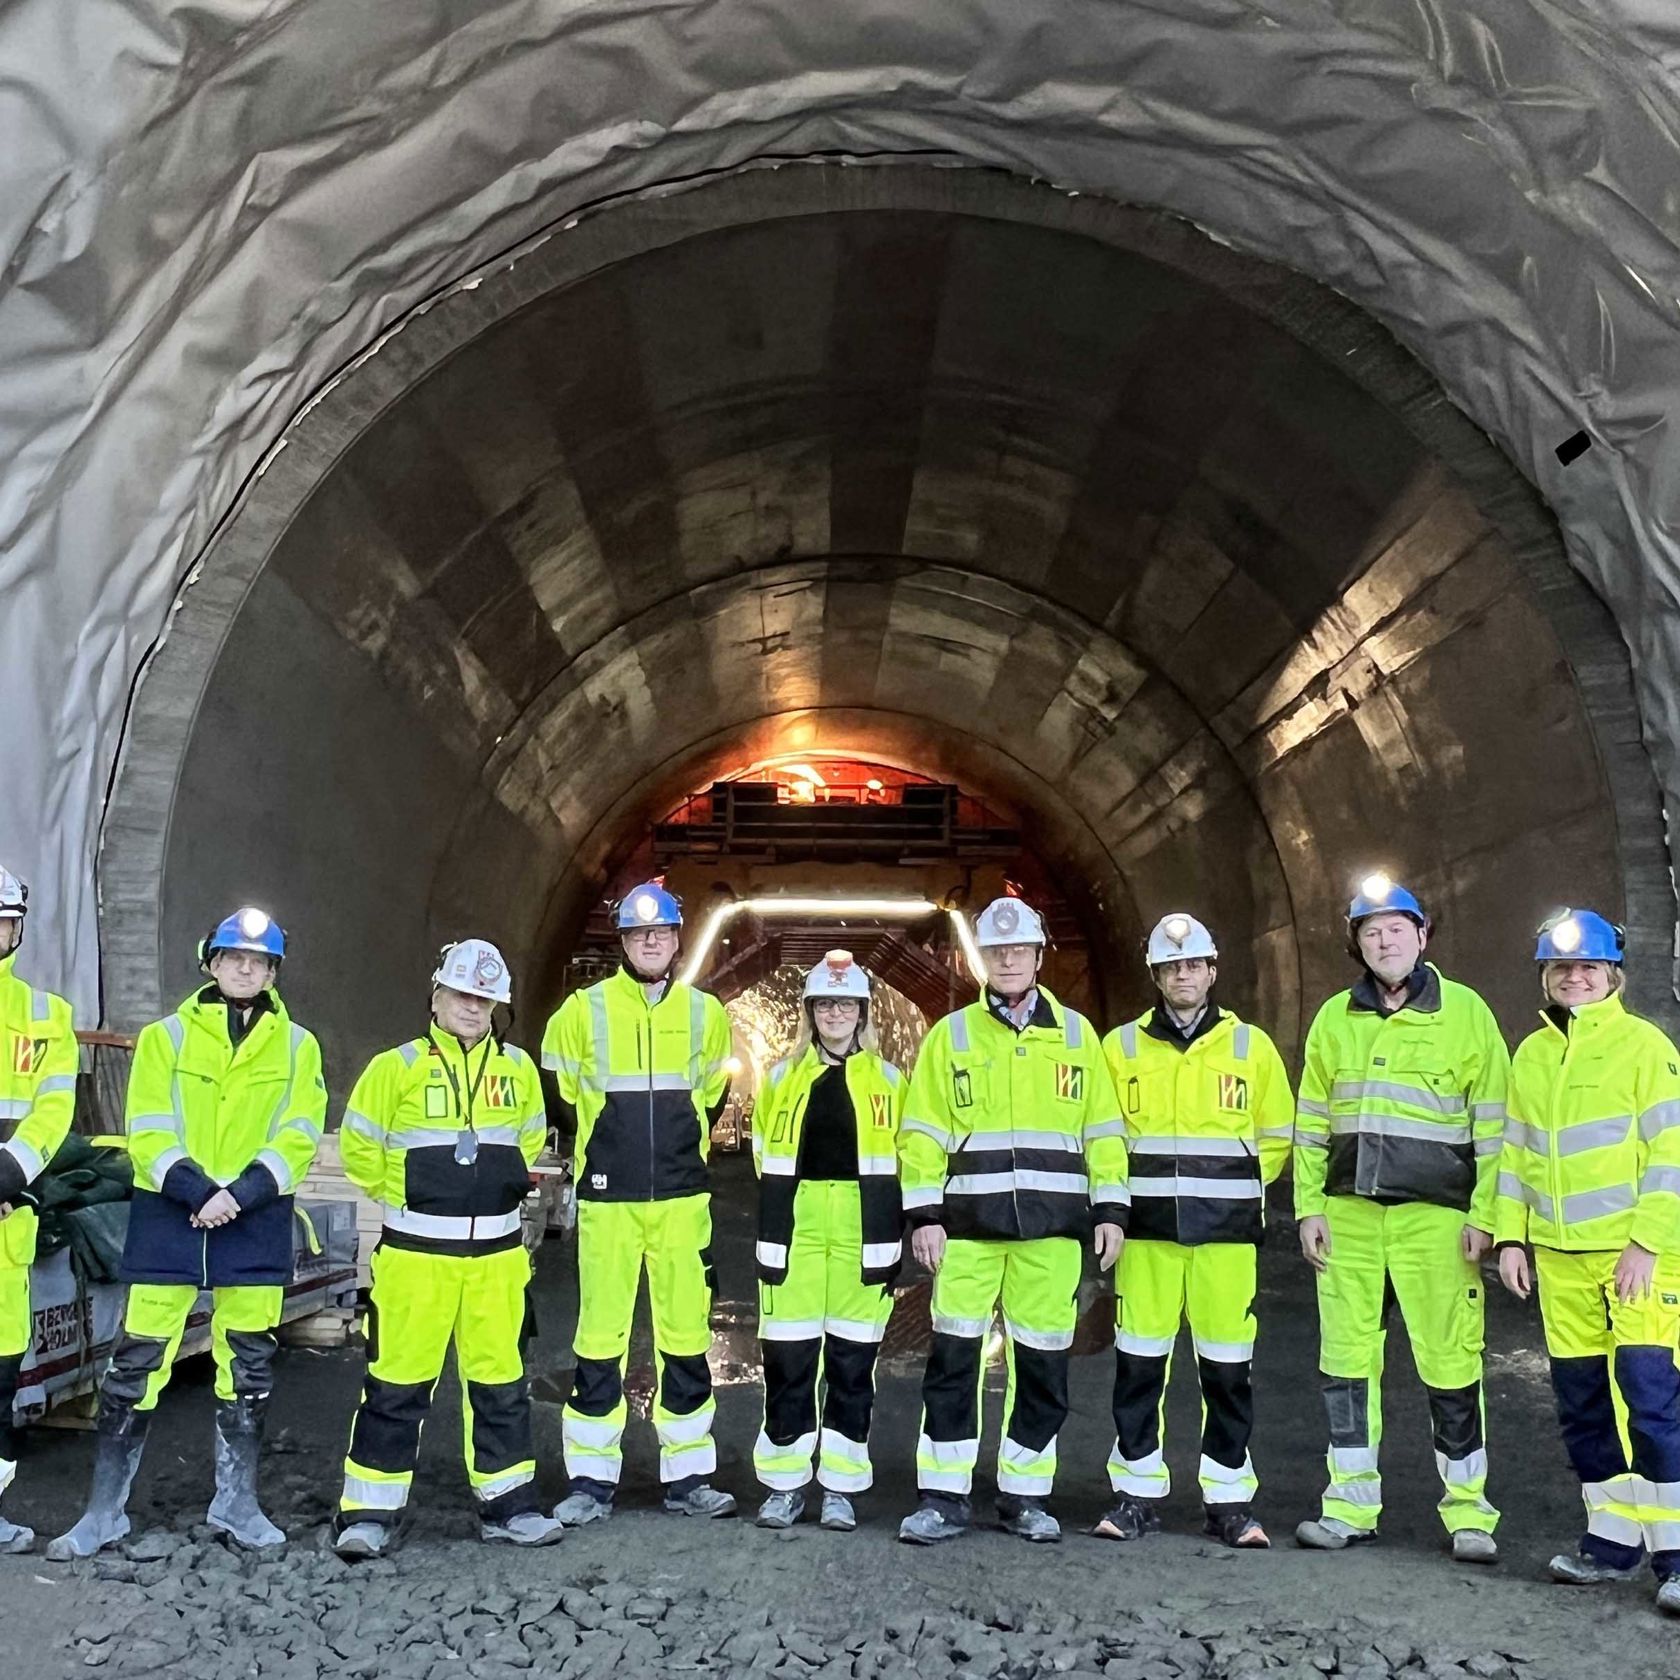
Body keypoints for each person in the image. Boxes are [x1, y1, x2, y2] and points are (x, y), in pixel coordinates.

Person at [49, 909, 326, 1559]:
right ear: (211, 962)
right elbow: (147, 1126)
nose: (244, 968)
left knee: (249, 1365)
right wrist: (200, 1192)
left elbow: (299, 1133)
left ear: (273, 972)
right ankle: (104, 1511)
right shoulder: (165, 1038)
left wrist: (241, 1193)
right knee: (138, 1360)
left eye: (258, 962)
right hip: (175, 1215)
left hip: (252, 1218)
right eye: (233, 958)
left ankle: (236, 1503)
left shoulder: (298, 1047)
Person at [897, 896, 1127, 1545]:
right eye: (996, 952)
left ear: (1037, 956)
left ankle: (1024, 1495)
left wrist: (1110, 1210)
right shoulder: (952, 1037)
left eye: (1018, 950)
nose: (1007, 960)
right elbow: (920, 1136)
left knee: (1044, 1367)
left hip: (1052, 1235)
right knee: (953, 1362)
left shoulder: (1079, 1038)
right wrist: (925, 1216)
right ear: (983, 960)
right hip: (966, 1233)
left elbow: (1105, 1134)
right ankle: (943, 1495)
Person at [1293, 874, 1509, 1562]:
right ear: (1356, 945)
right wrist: (1307, 1208)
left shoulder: (1467, 1014)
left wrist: (1487, 1214)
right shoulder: (1334, 1018)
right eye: (1370, 931)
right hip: (1349, 1219)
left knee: (1450, 1365)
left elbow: (1495, 1128)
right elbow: (1311, 1123)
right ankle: (1350, 1505)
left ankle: (1469, 1513)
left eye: (1396, 928)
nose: (1384, 940)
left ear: (1423, 936)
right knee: (1346, 1367)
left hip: (1437, 1222)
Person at [332, 939, 560, 1556]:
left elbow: (531, 1141)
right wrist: (408, 1193)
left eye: (484, 998)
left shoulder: (517, 1071)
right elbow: (358, 1148)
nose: (472, 1006)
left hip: (496, 1260)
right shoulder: (395, 1067)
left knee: (502, 1384)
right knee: (396, 1384)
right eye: (462, 993)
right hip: (415, 1259)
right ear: (436, 996)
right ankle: (369, 1516)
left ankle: (509, 1506)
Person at [1495, 910, 1680, 1613]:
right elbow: (1516, 1158)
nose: (1575, 977)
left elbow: (1671, 1155)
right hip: (1560, 1260)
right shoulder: (1533, 1055)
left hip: (1638, 1260)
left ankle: (1675, 1555)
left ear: (1612, 975)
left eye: (1588, 968)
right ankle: (1611, 1544)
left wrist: (1645, 1243)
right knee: (1581, 1405)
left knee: (1651, 1402)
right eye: (1561, 969)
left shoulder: (1645, 1046)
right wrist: (1511, 1237)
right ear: (1547, 977)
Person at [1097, 913, 1293, 1550]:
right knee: (1138, 1368)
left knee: (1227, 1371)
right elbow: (1101, 1136)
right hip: (1146, 1236)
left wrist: (1231, 1192)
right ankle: (1135, 1494)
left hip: (1226, 1240)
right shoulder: (1119, 1048)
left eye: (1193, 966)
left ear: (1212, 970)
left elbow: (1278, 1135)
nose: (1183, 976)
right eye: (1170, 968)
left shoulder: (1251, 1047)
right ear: (1156, 976)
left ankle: (1230, 1502)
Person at [542, 882, 735, 1523]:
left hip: (682, 1200)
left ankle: (688, 1478)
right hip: (609, 1200)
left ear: (677, 939)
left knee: (686, 1339)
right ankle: (591, 1482)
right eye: (638, 934)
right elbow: (561, 1094)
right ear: (622, 942)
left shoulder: (707, 1015)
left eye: (661, 933)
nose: (651, 942)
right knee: (600, 1339)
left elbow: (712, 1096)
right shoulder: (581, 1011)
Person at [752, 951, 905, 1532]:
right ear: (809, 1012)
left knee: (850, 1365)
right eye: (824, 1003)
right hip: (793, 1234)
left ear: (863, 1012)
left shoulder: (890, 1081)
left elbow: (909, 1161)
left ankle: (840, 1484)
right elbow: (763, 1156)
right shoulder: (780, 1078)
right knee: (788, 1361)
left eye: (846, 1003)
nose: (835, 1013)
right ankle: (785, 1484)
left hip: (864, 1239)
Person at [0, 865, 76, 1554]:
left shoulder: (46, 1018)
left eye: (4, 922)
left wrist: (11, 1168)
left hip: (5, 1232)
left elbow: (54, 1106)